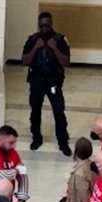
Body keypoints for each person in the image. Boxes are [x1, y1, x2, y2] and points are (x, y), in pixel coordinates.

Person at [21, 12, 71, 155]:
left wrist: (54, 48)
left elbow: (66, 62)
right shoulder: (32, 40)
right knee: (35, 111)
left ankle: (63, 141)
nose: (44, 28)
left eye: (47, 25)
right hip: (36, 81)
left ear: (51, 24)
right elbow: (24, 61)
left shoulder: (60, 40)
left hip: (53, 81)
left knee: (59, 111)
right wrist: (36, 47)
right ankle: (36, 138)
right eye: (41, 26)